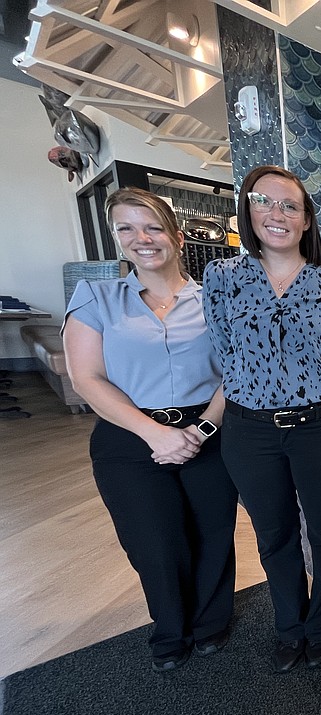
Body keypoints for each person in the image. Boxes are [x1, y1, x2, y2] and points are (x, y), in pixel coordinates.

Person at [62, 188, 238, 672]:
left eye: (153, 227)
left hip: (209, 429)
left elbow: (235, 372)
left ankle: (210, 624)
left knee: (213, 533)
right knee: (154, 540)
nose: (142, 238)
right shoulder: (97, 297)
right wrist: (154, 433)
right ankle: (170, 629)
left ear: (177, 237)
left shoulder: (215, 300)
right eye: (127, 228)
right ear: (118, 238)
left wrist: (200, 429)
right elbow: (87, 379)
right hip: (128, 435)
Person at [202, 165, 321, 674]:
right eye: (264, 201)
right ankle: (288, 625)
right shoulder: (222, 277)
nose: (277, 213)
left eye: (290, 206)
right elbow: (223, 353)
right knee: (273, 536)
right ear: (247, 212)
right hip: (249, 431)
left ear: (306, 220)